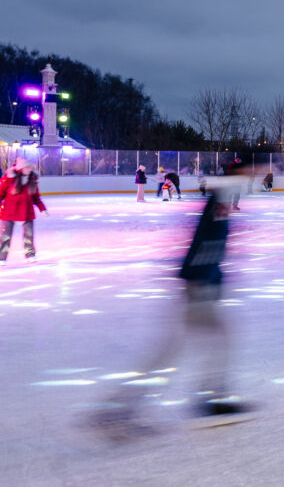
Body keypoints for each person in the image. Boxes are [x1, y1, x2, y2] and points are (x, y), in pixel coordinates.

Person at [90, 185, 253, 441]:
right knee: (170, 353)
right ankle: (116, 411)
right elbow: (207, 242)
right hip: (198, 286)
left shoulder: (221, 199)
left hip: (201, 284)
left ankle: (211, 397)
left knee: (213, 341)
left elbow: (212, 245)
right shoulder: (220, 200)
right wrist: (202, 280)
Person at [0, 158, 48, 266]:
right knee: (5, 236)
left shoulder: (32, 181)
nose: (30, 169)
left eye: (30, 167)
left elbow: (36, 198)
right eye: (27, 167)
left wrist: (43, 209)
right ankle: (1, 257)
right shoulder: (9, 179)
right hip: (9, 212)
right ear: (21, 169)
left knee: (29, 236)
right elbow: (0, 194)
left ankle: (30, 255)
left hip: (27, 212)